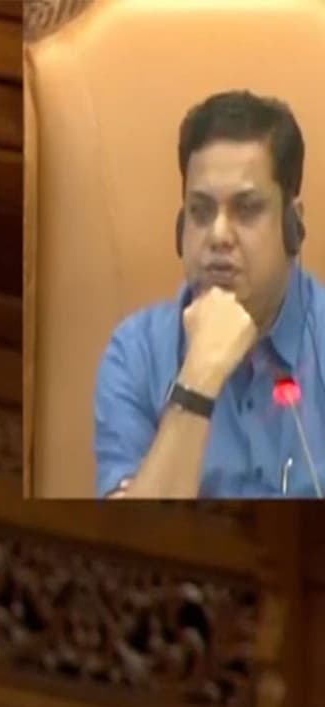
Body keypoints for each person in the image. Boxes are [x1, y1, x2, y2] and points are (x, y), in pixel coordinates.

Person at [94, 90, 325, 500]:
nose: (218, 235)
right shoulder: (135, 353)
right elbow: (132, 544)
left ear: (294, 224)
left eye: (247, 209)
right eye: (200, 211)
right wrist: (198, 376)